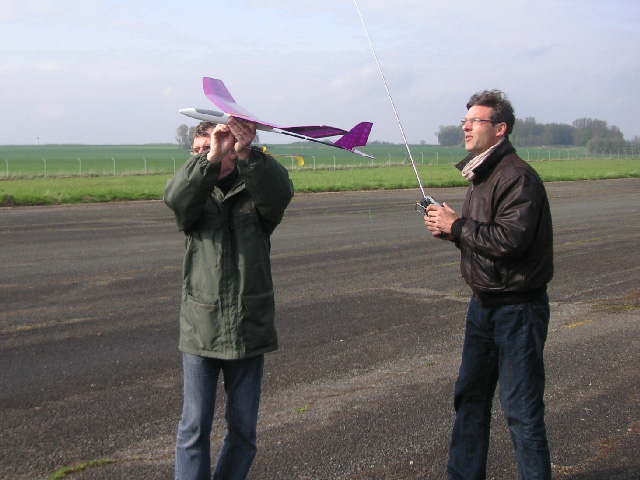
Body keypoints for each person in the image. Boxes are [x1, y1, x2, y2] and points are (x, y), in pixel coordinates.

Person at [424, 90, 554, 480]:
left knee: (521, 410)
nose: (466, 127)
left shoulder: (516, 177)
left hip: (518, 310)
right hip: (483, 306)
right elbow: (487, 240)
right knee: (470, 400)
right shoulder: (482, 175)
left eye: (475, 121)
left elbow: (510, 241)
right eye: (465, 121)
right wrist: (453, 232)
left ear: (500, 129)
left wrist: (458, 227)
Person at [164, 117, 294, 480]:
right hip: (201, 328)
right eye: (196, 150)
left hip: (248, 327)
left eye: (210, 147)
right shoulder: (195, 196)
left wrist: (247, 151)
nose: (203, 154)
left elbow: (281, 192)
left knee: (243, 433)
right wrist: (208, 160)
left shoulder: (257, 194)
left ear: (233, 152)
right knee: (194, 429)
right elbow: (175, 199)